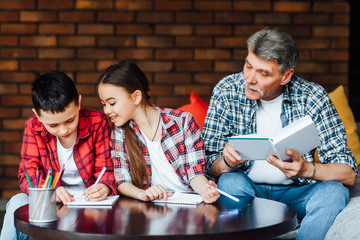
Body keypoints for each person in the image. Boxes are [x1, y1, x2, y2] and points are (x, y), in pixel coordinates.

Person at [202, 27, 357, 240]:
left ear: (286, 76)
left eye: (263, 73)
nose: (249, 78)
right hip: (248, 190)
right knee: (229, 182)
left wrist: (306, 170)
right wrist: (227, 162)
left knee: (334, 191)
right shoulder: (227, 90)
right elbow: (208, 165)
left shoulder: (313, 97)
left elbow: (348, 174)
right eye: (248, 66)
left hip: (298, 193)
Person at [0, 71, 117, 240]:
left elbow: (106, 170)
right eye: (53, 125)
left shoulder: (96, 122)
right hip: (52, 201)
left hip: (90, 202)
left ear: (79, 103)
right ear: (38, 115)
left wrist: (104, 187)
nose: (63, 130)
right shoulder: (33, 127)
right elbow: (28, 174)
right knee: (17, 202)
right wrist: (49, 192)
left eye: (70, 120)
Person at [96, 60, 220, 203]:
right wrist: (142, 194)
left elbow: (195, 172)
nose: (106, 110)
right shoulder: (119, 133)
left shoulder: (182, 121)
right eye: (103, 104)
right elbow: (122, 180)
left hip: (189, 204)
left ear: (136, 97)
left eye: (112, 103)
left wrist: (206, 191)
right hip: (152, 208)